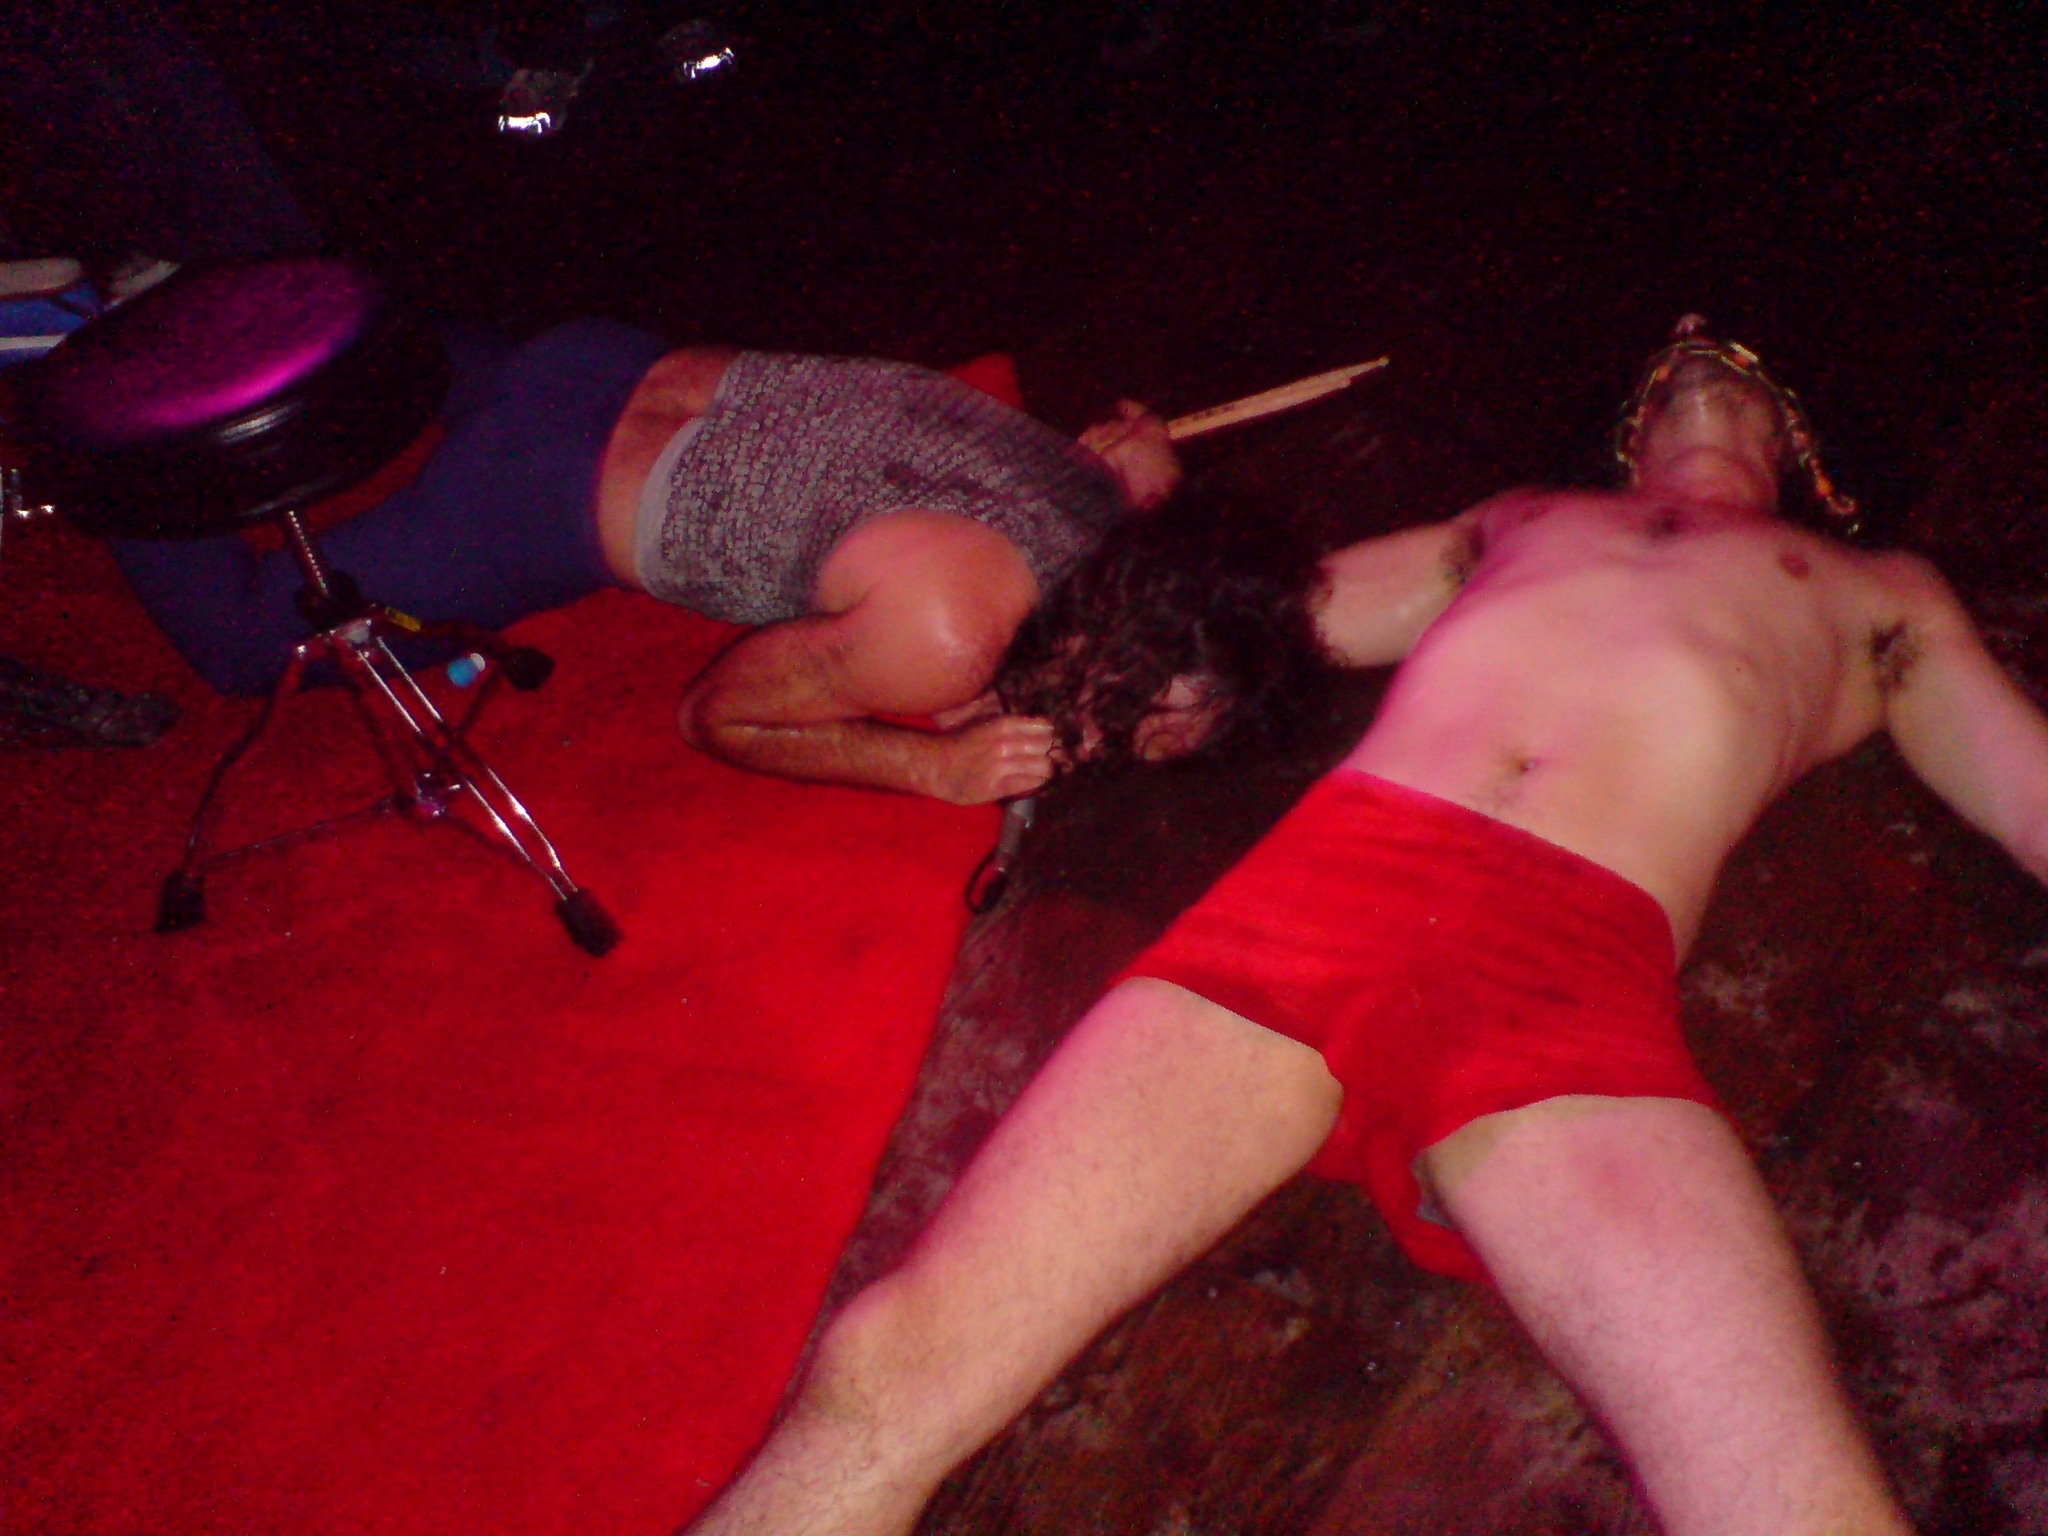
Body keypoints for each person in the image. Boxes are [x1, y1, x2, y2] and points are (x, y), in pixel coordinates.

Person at [684, 318, 2048, 1535]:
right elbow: (1250, 628)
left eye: (1730, 354)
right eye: (1661, 362)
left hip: (1571, 971)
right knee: (887, 1366)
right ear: (1625, 438)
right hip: (1314, 899)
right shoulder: (1519, 518)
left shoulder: (1878, 598)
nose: (1688, 340)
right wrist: (1145, 517)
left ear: (1800, 443)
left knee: (1788, 1498)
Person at [104, 323, 1180, 804]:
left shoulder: (1099, 496)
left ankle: (206, 318)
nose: (1093, 748)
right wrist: (930, 768)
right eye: (1114, 724)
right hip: (539, 489)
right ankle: (101, 438)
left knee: (377, 356)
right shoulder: (951, 637)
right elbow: (715, 716)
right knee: (245, 645)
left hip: (600, 358)